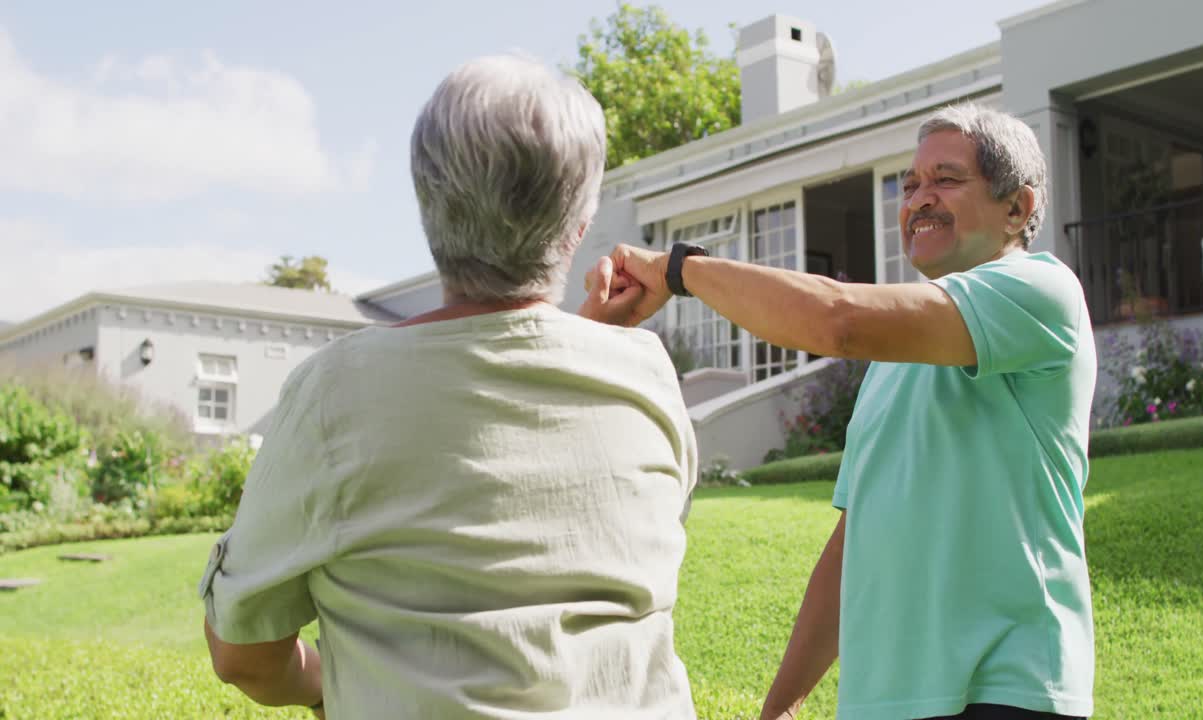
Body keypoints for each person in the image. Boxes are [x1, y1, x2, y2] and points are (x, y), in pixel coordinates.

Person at [199, 54, 698, 719]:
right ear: (579, 225)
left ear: (427, 204)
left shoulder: (335, 394)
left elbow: (245, 656)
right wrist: (588, 345)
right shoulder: (647, 376)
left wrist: (329, 683)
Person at [600, 103, 1096, 720]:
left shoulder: (1041, 290)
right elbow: (852, 544)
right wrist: (779, 707)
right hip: (889, 701)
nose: (919, 199)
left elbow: (839, 319)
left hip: (1006, 688)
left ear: (1016, 208)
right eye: (909, 185)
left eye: (945, 179)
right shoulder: (891, 363)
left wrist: (680, 271)